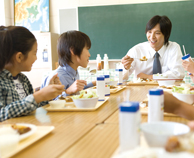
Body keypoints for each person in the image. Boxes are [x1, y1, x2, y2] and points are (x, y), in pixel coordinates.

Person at [0, 26, 65, 122]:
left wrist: (46, 95)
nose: (36, 58)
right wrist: (38, 96)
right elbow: (1, 114)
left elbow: (34, 106)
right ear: (19, 57)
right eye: (34, 53)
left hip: (29, 129)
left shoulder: (23, 80)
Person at [121, 15, 185, 80]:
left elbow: (178, 74)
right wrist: (125, 68)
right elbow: (121, 79)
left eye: (157, 33)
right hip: (141, 89)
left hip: (167, 89)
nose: (152, 37)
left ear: (166, 35)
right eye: (149, 32)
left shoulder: (173, 48)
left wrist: (150, 77)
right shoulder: (137, 50)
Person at [41, 30, 96, 99]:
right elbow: (50, 104)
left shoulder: (74, 72)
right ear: (73, 51)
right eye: (87, 49)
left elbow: (75, 90)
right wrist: (67, 92)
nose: (89, 55)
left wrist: (93, 83)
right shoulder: (59, 77)